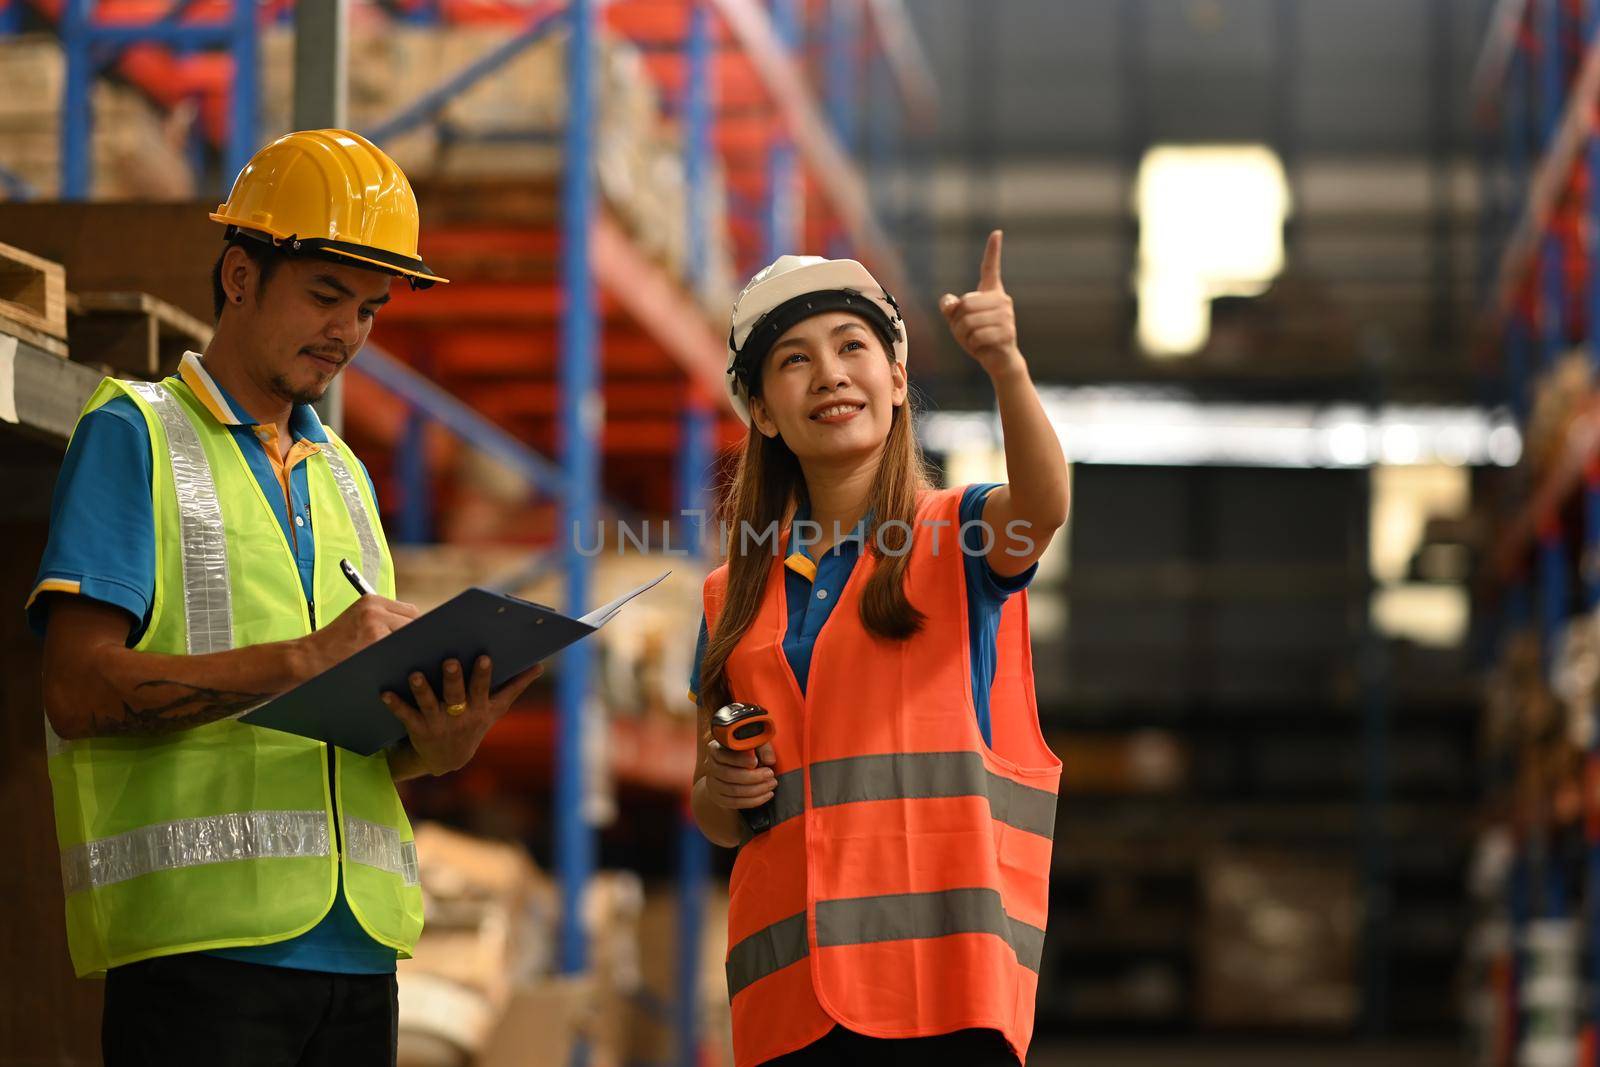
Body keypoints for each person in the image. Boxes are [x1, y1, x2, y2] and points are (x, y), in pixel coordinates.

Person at [29, 129, 541, 1065]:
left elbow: (350, 743)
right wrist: (303, 658)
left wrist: (437, 743)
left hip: (361, 960)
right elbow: (75, 687)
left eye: (370, 309)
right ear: (238, 276)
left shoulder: (344, 477)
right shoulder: (135, 432)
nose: (347, 331)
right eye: (325, 295)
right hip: (200, 956)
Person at [687, 233, 1069, 1066]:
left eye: (851, 346)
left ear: (896, 381)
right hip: (789, 1008)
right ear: (762, 411)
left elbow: (1042, 505)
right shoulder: (731, 595)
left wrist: (1005, 364)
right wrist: (723, 784)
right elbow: (714, 813)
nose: (828, 373)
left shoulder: (956, 536)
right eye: (793, 360)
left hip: (940, 994)